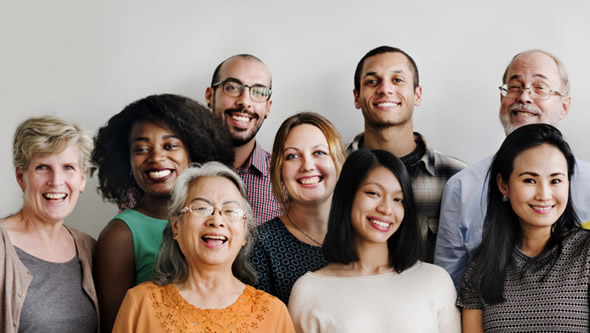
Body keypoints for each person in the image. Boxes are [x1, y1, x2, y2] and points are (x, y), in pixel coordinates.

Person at [435, 49, 590, 290]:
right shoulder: (461, 187)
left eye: (540, 88)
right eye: (515, 87)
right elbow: (449, 286)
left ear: (564, 106)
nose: (524, 97)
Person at [91, 94, 234, 332]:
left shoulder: (219, 224)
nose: (156, 157)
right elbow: (114, 326)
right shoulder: (121, 235)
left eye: (170, 146)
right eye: (141, 148)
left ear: (193, 152)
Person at [288, 149, 460, 332]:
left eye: (398, 199)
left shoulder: (435, 280)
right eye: (373, 193)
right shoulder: (309, 291)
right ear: (347, 196)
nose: (386, 209)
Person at [112, 162, 295, 332]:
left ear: (244, 234)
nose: (216, 220)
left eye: (230, 211)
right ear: (176, 226)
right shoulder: (140, 303)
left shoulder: (274, 313)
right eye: (201, 208)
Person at [458, 124, 590, 332]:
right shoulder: (480, 268)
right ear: (503, 185)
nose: (544, 195)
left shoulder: (586, 254)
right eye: (530, 180)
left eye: (555, 180)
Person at [348, 46, 467, 262]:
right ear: (357, 97)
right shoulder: (330, 169)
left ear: (417, 94)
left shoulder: (458, 178)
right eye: (372, 81)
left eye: (397, 80)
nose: (385, 89)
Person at [0, 116, 98, 332]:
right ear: (20, 177)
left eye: (68, 167)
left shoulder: (91, 249)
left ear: (82, 179)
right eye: (43, 167)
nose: (56, 181)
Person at [250, 112, 346, 304]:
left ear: (338, 161)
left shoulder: (365, 233)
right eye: (293, 156)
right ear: (279, 169)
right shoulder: (259, 246)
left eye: (319, 152)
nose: (307, 165)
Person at [205, 54, 283, 224]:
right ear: (210, 97)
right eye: (232, 87)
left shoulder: (284, 181)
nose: (245, 101)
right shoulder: (178, 169)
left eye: (259, 92)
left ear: (268, 107)